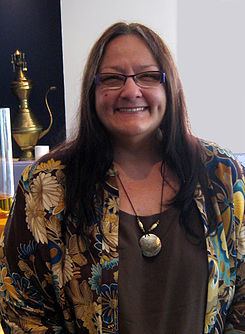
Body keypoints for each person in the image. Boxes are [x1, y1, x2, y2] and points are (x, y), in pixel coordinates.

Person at [0, 22, 244, 334]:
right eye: (113, 78)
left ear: (170, 87)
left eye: (148, 76)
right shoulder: (45, 185)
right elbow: (24, 311)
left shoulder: (220, 173)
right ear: (92, 90)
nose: (131, 91)